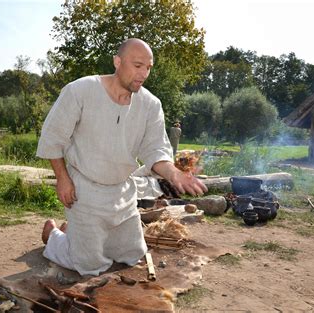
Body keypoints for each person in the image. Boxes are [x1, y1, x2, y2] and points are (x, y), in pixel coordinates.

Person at [36, 38, 207, 276]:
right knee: (89, 266)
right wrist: (63, 179)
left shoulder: (151, 105)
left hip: (122, 192)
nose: (144, 73)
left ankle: (74, 234)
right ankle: (54, 236)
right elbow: (53, 137)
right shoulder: (80, 91)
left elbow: (155, 150)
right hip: (85, 189)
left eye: (148, 67)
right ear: (117, 62)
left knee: (132, 255)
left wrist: (175, 173)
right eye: (137, 65)